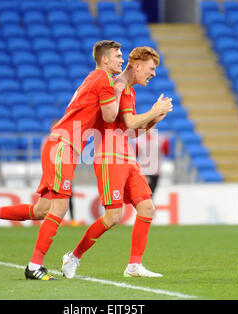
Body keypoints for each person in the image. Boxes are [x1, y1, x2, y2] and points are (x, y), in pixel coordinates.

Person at [0, 40, 126, 280]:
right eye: (117, 55)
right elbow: (110, 115)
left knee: (42, 209)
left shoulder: (93, 78)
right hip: (64, 145)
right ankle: (34, 265)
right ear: (104, 59)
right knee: (60, 207)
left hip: (59, 144)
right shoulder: (104, 79)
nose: (121, 59)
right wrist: (120, 86)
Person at [61, 46, 173, 279]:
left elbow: (130, 132)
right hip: (108, 156)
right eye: (151, 69)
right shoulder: (117, 85)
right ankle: (73, 256)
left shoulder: (129, 91)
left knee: (147, 207)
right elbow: (130, 122)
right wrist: (153, 111)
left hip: (126, 156)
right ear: (138, 65)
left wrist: (154, 118)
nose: (153, 74)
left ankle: (134, 265)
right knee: (113, 216)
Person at [135, 129, 170, 197]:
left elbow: (166, 152)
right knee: (146, 194)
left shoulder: (160, 140)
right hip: (144, 171)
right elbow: (136, 154)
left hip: (156, 171)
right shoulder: (139, 141)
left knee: (152, 193)